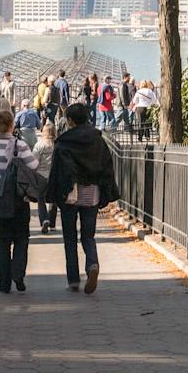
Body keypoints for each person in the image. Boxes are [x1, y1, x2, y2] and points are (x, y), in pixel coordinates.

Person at [49, 103, 118, 294]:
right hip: (91, 194)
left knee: (69, 237)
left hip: (70, 194)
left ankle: (73, 280)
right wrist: (107, 190)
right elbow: (106, 166)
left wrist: (54, 194)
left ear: (70, 121)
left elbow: (57, 170)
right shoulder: (97, 140)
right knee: (88, 235)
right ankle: (92, 264)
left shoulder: (64, 142)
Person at [0, 111, 38, 293]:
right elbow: (34, 166)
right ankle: (18, 273)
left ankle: (4, 283)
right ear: (12, 125)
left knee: (1, 242)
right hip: (18, 198)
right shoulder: (19, 145)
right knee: (21, 238)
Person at [33, 123, 58, 233]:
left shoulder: (39, 145)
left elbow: (34, 161)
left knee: (41, 199)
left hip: (41, 175)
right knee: (53, 199)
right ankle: (52, 223)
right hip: (54, 175)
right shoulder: (57, 145)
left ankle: (44, 219)